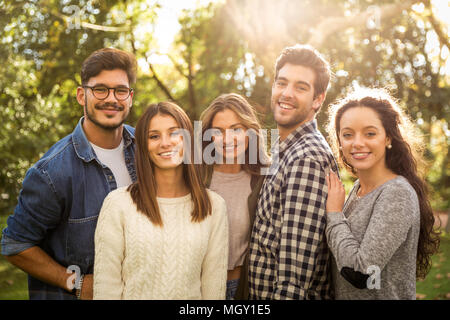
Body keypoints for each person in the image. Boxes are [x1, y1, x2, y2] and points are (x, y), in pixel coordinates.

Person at [1, 48, 137, 299]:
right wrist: (76, 283)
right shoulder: (52, 172)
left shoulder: (146, 149)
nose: (111, 98)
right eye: (100, 89)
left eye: (120, 90)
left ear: (130, 97)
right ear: (81, 95)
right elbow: (15, 245)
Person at [93, 102, 228, 299]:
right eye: (154, 136)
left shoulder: (214, 207)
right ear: (143, 146)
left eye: (174, 133)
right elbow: (106, 289)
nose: (165, 143)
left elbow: (213, 289)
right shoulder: (118, 204)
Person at [325, 87, 440, 299]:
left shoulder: (397, 193)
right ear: (340, 142)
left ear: (388, 138)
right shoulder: (358, 189)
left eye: (370, 133)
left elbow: (360, 273)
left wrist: (334, 214)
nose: (357, 143)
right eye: (348, 134)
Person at [248, 44, 339, 300]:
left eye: (301, 87)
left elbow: (293, 281)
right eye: (282, 83)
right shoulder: (284, 148)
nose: (286, 94)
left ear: (318, 99)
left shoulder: (306, 159)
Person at [200, 93, 270, 300]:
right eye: (218, 131)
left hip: (245, 288)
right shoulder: (197, 177)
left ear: (250, 132)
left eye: (236, 129)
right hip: (201, 289)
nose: (227, 139)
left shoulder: (264, 178)